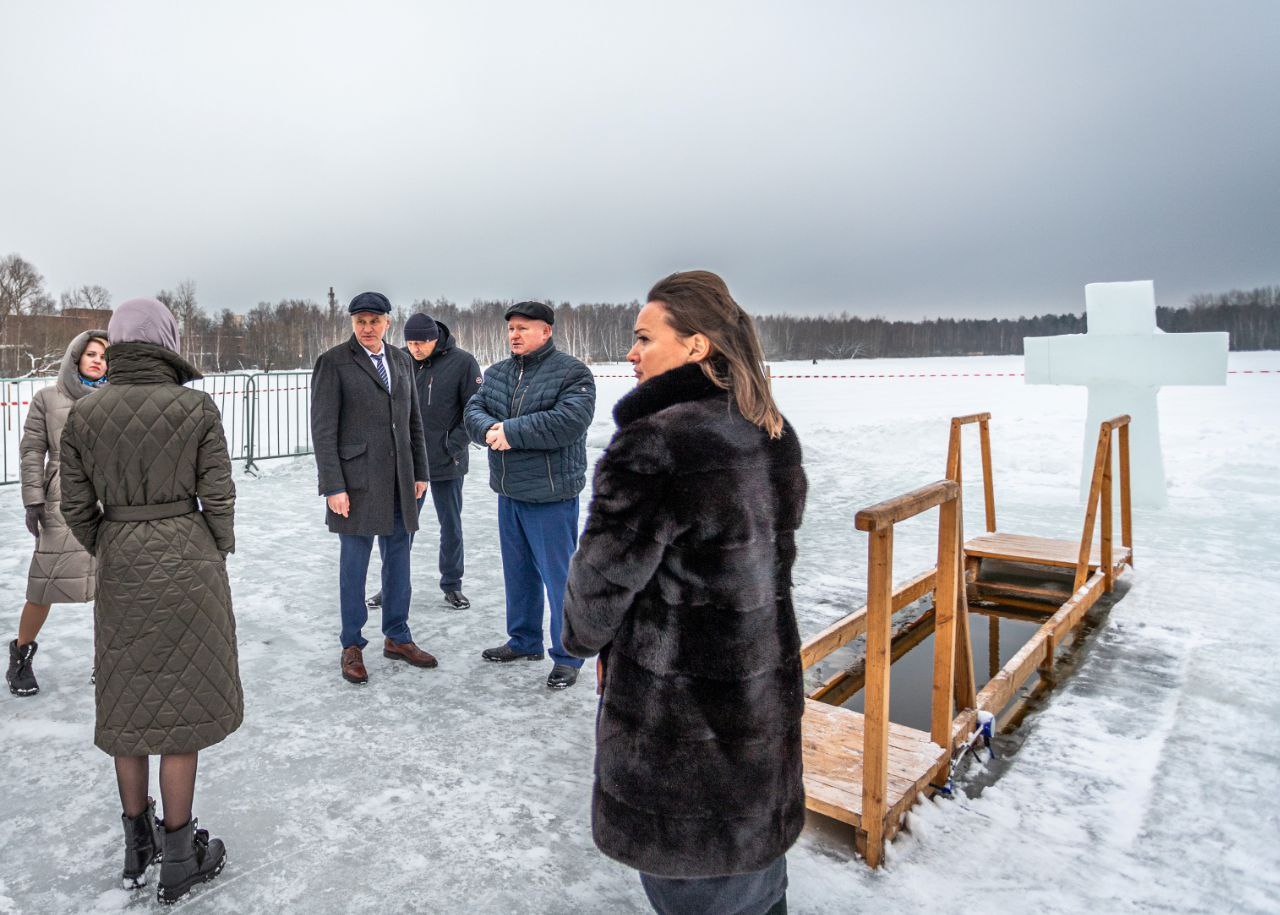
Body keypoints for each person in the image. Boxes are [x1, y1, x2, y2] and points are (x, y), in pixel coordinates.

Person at [562, 271, 807, 915]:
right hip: (759, 716)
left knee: (699, 896)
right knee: (760, 891)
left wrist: (583, 639)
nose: (631, 352)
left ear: (697, 346)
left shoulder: (654, 444)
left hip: (681, 732)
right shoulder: (768, 429)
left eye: (644, 338)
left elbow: (596, 591)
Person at [59, 298, 243, 903]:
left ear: (115, 344)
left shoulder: (85, 415)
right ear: (166, 340)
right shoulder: (195, 406)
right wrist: (215, 547)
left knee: (131, 705)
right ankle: (180, 854)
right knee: (181, 703)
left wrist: (111, 543)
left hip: (121, 564)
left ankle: (139, 845)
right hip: (188, 561)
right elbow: (218, 493)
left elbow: (75, 508)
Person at [463, 301, 595, 689]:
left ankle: (568, 654)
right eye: (511, 329)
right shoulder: (499, 373)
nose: (515, 335)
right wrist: (489, 430)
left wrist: (510, 433)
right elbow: (474, 408)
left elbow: (568, 421)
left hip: (551, 495)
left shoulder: (572, 372)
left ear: (546, 331)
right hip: (510, 491)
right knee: (518, 573)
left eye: (523, 328)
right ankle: (524, 640)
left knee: (560, 579)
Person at [311, 291, 434, 684]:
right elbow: (323, 429)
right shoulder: (333, 362)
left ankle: (397, 636)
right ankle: (351, 644)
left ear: (387, 323)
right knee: (354, 566)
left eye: (374, 321)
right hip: (356, 483)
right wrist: (333, 485)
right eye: (360, 321)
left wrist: (421, 473)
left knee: (399, 561)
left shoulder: (400, 360)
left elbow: (413, 421)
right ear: (352, 323)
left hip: (400, 480)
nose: (367, 327)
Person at [7, 330, 107, 697]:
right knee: (45, 583)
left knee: (110, 586)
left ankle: (107, 663)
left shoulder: (117, 398)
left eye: (105, 356)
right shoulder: (48, 398)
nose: (98, 360)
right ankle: (20, 655)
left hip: (108, 500)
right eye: (91, 353)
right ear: (76, 357)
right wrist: (33, 498)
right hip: (62, 499)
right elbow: (33, 449)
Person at [367, 313, 482, 611]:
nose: (416, 348)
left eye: (422, 343)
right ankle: (391, 584)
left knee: (451, 525)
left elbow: (475, 409)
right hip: (407, 462)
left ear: (435, 339)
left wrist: (451, 445)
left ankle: (452, 585)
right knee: (399, 526)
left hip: (447, 461)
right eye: (410, 342)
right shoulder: (397, 360)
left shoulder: (463, 362)